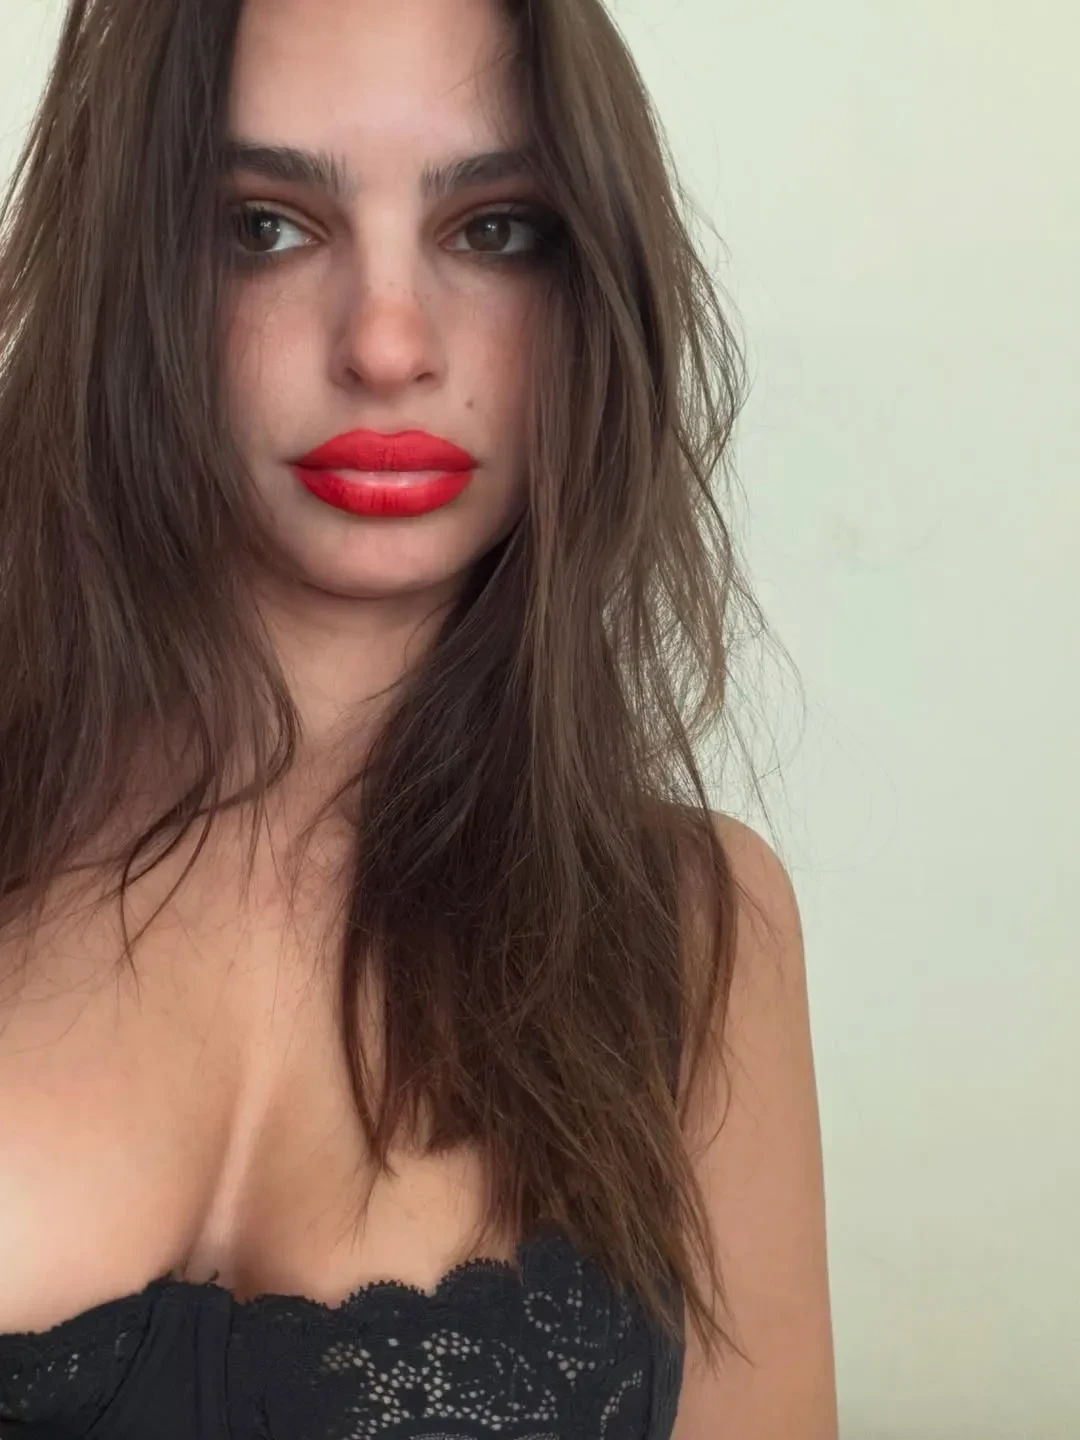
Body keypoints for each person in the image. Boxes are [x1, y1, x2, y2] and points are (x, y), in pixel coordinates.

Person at [0, 0, 837, 1435]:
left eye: (493, 229)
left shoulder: (691, 935)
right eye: (265, 227)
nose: (388, 346)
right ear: (121, 269)